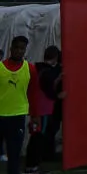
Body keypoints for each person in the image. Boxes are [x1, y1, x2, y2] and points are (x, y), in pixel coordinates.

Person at [23, 46, 57, 174]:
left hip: (36, 108)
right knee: (38, 137)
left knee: (36, 136)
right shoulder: (46, 71)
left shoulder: (36, 69)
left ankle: (31, 165)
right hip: (43, 109)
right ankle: (33, 166)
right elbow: (49, 90)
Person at [0, 37, 30, 174]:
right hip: (0, 115)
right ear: (11, 49)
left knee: (14, 154)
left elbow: (33, 93)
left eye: (22, 48)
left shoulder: (30, 69)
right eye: (16, 47)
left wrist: (36, 115)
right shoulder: (0, 67)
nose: (19, 51)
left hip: (18, 116)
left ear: (25, 50)